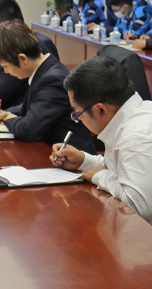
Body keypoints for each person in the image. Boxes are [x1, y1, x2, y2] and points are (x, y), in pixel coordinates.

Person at [52, 56, 152, 223]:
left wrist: (99, 176)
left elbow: (138, 206)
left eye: (77, 113)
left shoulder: (136, 137)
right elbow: (122, 167)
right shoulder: (132, 115)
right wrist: (84, 161)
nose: (78, 119)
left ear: (100, 110)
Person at [0, 20, 94, 152]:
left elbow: (28, 130)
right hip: (51, 149)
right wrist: (7, 113)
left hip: (70, 157)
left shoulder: (53, 80)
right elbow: (35, 105)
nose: (5, 72)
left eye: (5, 66)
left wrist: (7, 119)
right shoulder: (44, 70)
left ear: (22, 59)